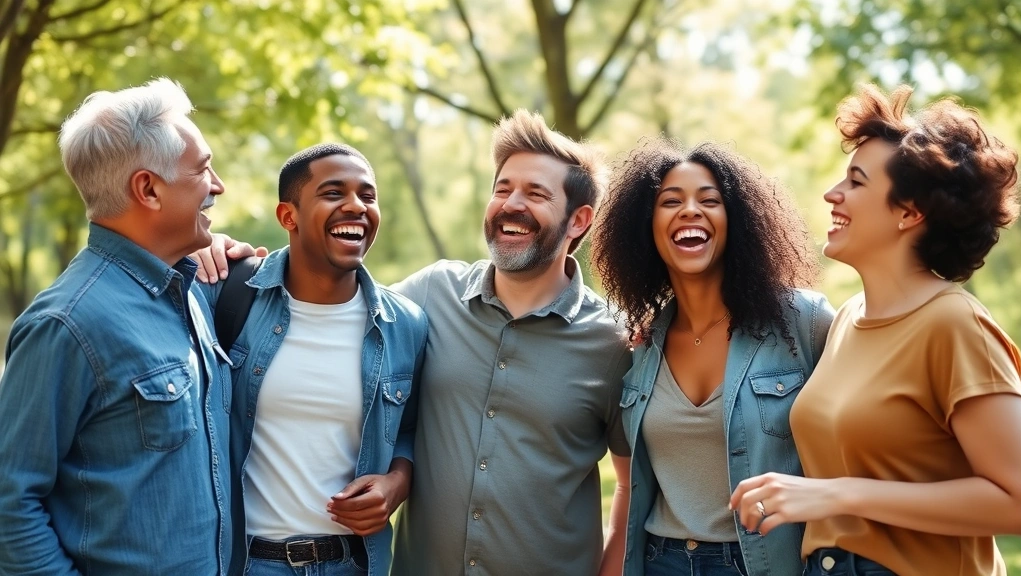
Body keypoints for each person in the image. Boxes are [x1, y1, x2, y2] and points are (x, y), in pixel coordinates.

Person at [730, 85, 1021, 576]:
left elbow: (1017, 500)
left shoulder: (954, 324)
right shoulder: (846, 318)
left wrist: (836, 493)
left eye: (857, 182)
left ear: (910, 213)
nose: (832, 194)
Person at [0, 79, 234, 574]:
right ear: (148, 189)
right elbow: (10, 504)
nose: (217, 185)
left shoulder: (192, 289)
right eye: (203, 169)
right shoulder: (65, 324)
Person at [387, 109, 632, 576]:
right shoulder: (430, 294)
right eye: (502, 189)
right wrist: (236, 258)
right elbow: (338, 311)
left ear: (578, 220)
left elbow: (631, 485)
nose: (510, 204)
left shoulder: (615, 343)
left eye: (536, 193)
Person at [590, 139, 832, 576]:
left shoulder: (804, 322)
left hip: (767, 564)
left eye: (709, 200)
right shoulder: (640, 346)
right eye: (670, 201)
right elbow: (628, 487)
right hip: (661, 561)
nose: (690, 211)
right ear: (645, 227)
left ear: (735, 220)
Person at [195, 143, 427, 576]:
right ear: (289, 216)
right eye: (334, 193)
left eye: (368, 196)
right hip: (247, 563)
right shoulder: (228, 295)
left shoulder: (405, 325)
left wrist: (397, 483)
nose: (356, 206)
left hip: (354, 564)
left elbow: (409, 431)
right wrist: (195, 251)